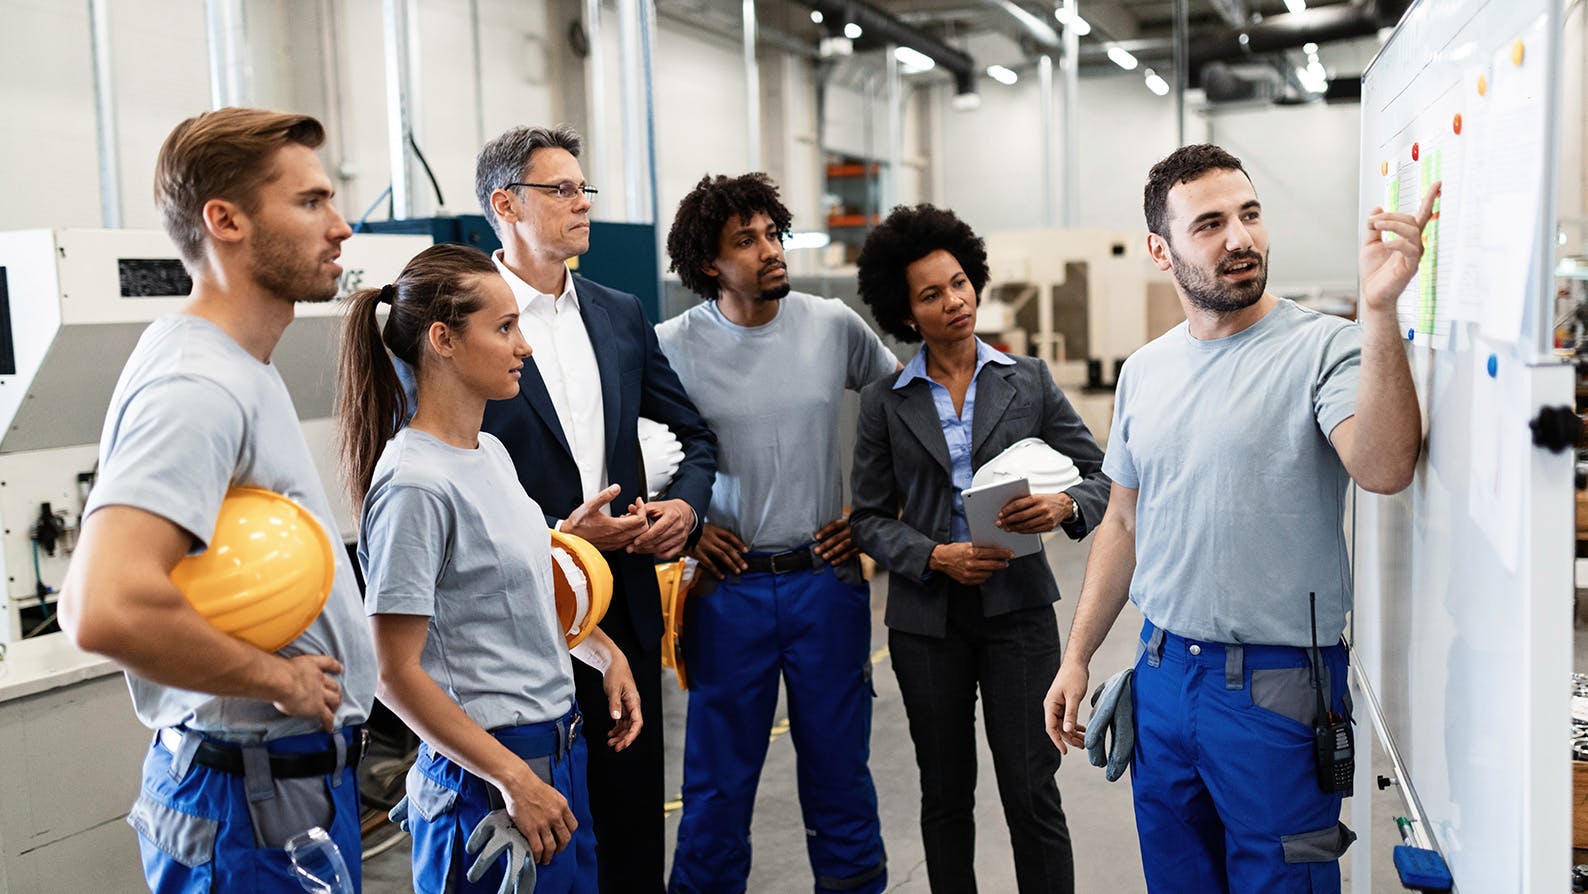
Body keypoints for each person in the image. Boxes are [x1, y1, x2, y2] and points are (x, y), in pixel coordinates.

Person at [1043, 144, 1437, 894]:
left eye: (1250, 214)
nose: (1241, 239)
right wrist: (1078, 654)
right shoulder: (1146, 371)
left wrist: (1380, 311)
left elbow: (1384, 467)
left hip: (1277, 688)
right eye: (1211, 224)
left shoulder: (1326, 348)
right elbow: (1121, 523)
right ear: (1162, 250)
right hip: (1159, 677)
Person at [56, 107, 376, 891]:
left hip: (286, 788)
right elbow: (102, 608)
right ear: (224, 220)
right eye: (310, 203)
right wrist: (282, 682)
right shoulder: (196, 383)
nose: (339, 228)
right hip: (246, 803)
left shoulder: (239, 365)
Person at [336, 242, 643, 893]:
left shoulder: (493, 454)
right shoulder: (415, 483)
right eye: (504, 328)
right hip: (494, 779)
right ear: (443, 340)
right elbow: (392, 671)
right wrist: (512, 778)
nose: (523, 346)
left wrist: (603, 653)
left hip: (555, 759)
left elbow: (525, 593)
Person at [474, 123, 717, 893]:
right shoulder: (460, 322)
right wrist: (553, 540)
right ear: (505, 204)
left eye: (585, 189)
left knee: (633, 831)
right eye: (563, 190)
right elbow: (443, 468)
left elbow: (695, 434)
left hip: (624, 611)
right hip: (514, 621)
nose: (584, 204)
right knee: (534, 841)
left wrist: (683, 509)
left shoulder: (618, 312)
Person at [848, 204, 1110, 894]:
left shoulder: (1028, 381)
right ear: (906, 313)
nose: (953, 301)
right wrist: (936, 556)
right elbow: (869, 520)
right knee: (945, 795)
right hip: (926, 622)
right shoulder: (885, 402)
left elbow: (1107, 475)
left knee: (1031, 791)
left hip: (1019, 615)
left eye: (958, 282)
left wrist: (1064, 506)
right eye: (930, 294)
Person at [656, 172, 897, 894]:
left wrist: (869, 518)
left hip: (827, 585)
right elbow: (638, 453)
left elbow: (902, 420)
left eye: (772, 234)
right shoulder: (671, 346)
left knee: (839, 775)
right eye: (746, 241)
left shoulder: (832, 325)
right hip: (725, 595)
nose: (769, 251)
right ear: (709, 264)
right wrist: (691, 527)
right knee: (717, 789)